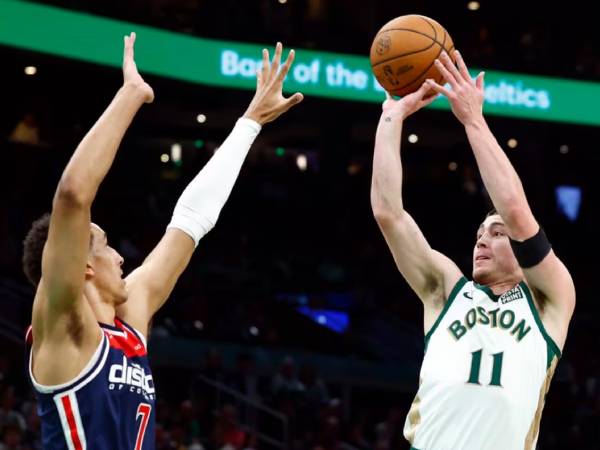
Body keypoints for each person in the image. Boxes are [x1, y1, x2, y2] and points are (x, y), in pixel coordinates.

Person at [22, 33, 303, 450]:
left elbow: (190, 220)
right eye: (105, 246)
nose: (120, 257)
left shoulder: (130, 321)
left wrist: (250, 124)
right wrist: (131, 95)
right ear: (80, 265)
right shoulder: (65, 327)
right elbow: (72, 195)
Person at [370, 50, 575, 450]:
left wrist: (472, 119)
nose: (482, 239)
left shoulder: (551, 301)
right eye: (480, 233)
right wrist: (390, 118)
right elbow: (388, 213)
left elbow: (516, 212)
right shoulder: (447, 289)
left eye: (496, 233)